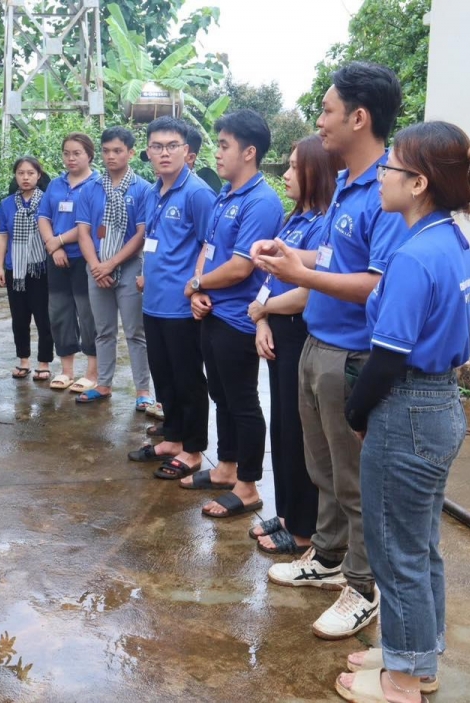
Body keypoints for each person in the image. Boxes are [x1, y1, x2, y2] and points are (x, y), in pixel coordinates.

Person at [334, 122, 470, 703]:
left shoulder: (412, 256)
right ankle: (417, 656)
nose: (381, 177)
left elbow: (386, 358)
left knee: (395, 547)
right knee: (419, 542)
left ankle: (402, 680)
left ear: (419, 182)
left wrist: (356, 413)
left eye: (391, 169)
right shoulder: (449, 240)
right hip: (439, 403)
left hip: (407, 407)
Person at [255, 62, 410, 639]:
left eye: (325, 110)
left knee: (356, 478)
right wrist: (290, 259)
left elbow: (377, 283)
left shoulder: (391, 188)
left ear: (359, 117)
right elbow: (337, 261)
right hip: (318, 345)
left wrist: (305, 275)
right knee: (321, 467)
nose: (318, 122)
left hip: (352, 356)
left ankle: (363, 588)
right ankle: (326, 555)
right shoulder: (347, 182)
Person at [180, 109, 283, 519]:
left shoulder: (261, 201)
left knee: (242, 401)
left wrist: (198, 285)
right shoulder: (225, 195)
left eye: (224, 146)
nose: (217, 154)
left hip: (239, 319)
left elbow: (242, 267)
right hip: (212, 312)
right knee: (220, 395)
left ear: (249, 152)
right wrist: (197, 286)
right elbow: (208, 250)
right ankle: (224, 468)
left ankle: (248, 485)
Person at [247, 135, 342, 554]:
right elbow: (272, 278)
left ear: (316, 171)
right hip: (276, 329)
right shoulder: (294, 219)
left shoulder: (324, 222)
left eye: (292, 167)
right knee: (284, 428)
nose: (285, 175)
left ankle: (303, 528)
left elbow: (308, 292)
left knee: (302, 435)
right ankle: (287, 513)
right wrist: (262, 318)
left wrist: (261, 311)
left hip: (299, 329)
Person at [126, 117, 215, 480]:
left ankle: (192, 450)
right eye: (157, 146)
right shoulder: (151, 191)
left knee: (188, 379)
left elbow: (211, 245)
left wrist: (197, 285)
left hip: (181, 305)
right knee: (164, 376)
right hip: (153, 301)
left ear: (186, 152)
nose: (164, 153)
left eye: (172, 146)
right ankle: (173, 438)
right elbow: (155, 238)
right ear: (148, 152)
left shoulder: (197, 193)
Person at [74, 126, 153, 405]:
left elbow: (141, 235)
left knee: (135, 331)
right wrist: (97, 266)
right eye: (106, 151)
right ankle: (103, 384)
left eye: (118, 150)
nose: (111, 156)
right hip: (96, 268)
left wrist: (111, 264)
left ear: (131, 153)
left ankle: (142, 391)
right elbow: (83, 232)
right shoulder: (90, 190)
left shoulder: (143, 189)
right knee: (103, 330)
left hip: (130, 267)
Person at [38, 133, 101, 393]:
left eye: (77, 153)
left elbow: (90, 225)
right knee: (60, 314)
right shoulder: (55, 184)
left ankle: (92, 372)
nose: (71, 158)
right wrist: (53, 246)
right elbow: (43, 216)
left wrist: (59, 240)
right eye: (66, 153)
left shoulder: (98, 184)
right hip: (57, 258)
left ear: (89, 155)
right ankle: (66, 371)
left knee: (89, 315)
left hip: (86, 259)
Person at [0, 156, 54, 380]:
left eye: (30, 173)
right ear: (16, 176)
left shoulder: (47, 201)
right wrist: (0, 266)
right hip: (15, 269)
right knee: (19, 317)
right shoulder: (7, 204)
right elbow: (3, 236)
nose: (26, 177)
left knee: (43, 317)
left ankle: (44, 362)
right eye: (21, 173)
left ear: (38, 176)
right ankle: (23, 360)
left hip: (41, 268)